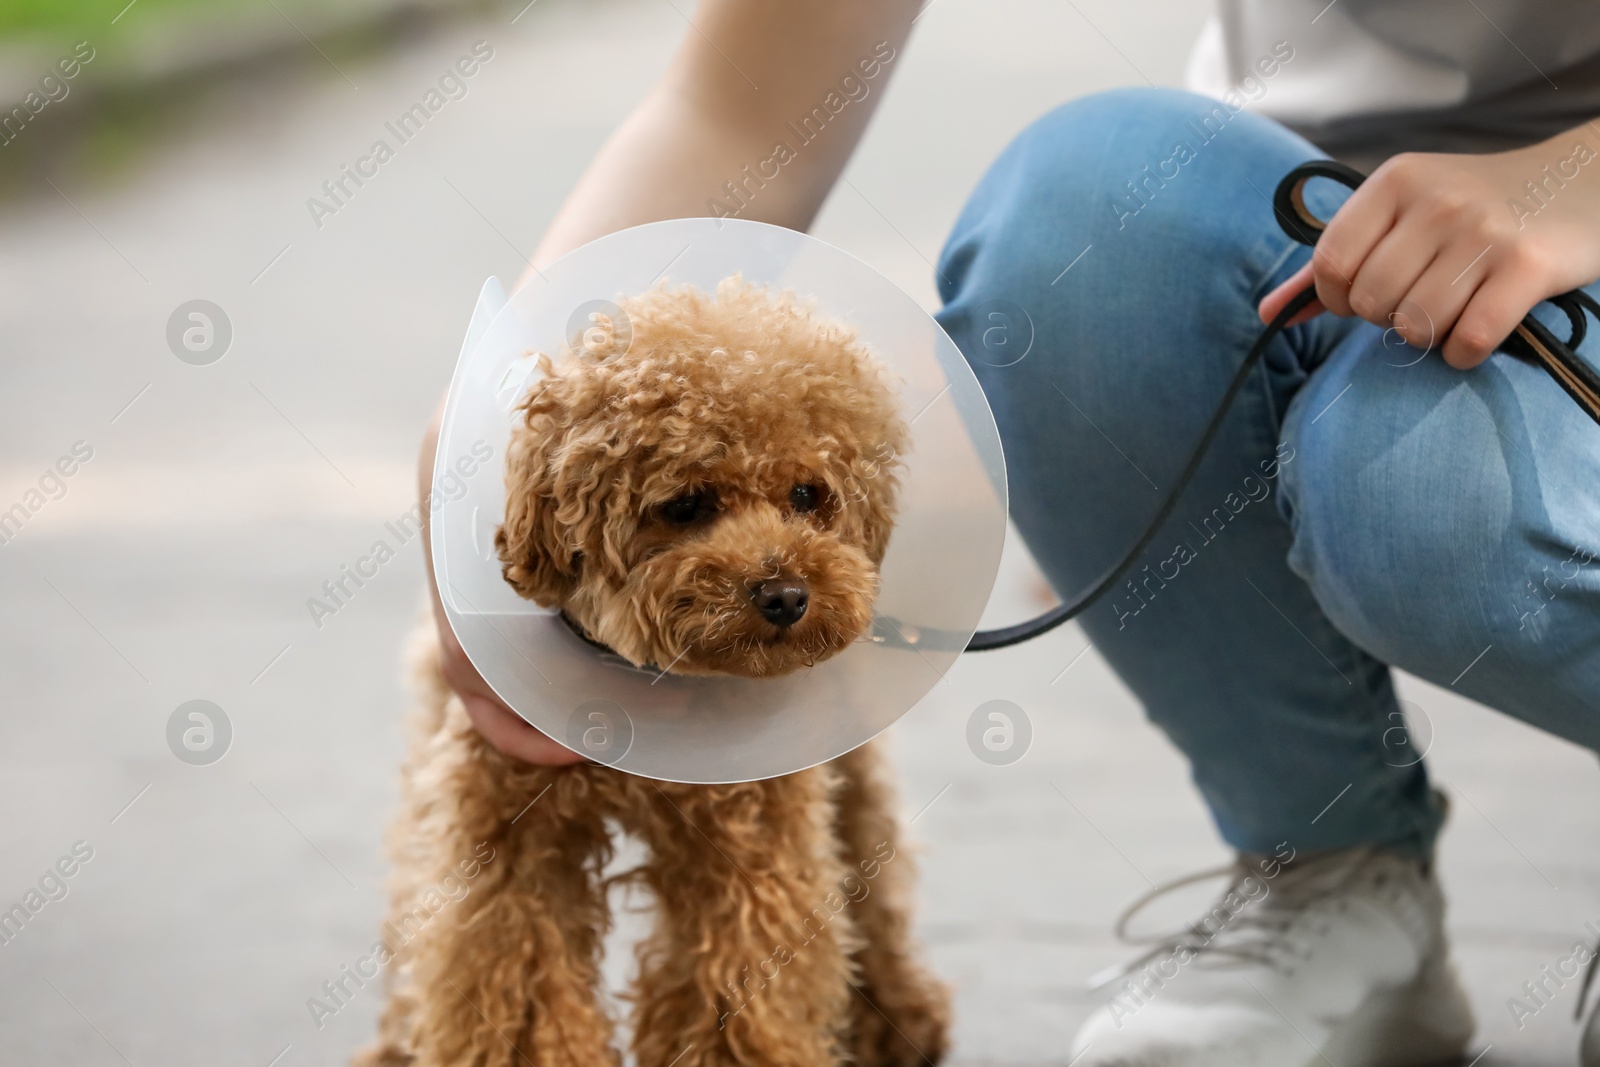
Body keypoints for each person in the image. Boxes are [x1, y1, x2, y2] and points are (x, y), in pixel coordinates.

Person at [415, 1, 1600, 1062]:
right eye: (690, 510)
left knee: (1425, 494)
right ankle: (1332, 864)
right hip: (1283, 214)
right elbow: (730, 112)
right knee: (1081, 207)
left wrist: (1558, 183)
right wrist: (490, 407)